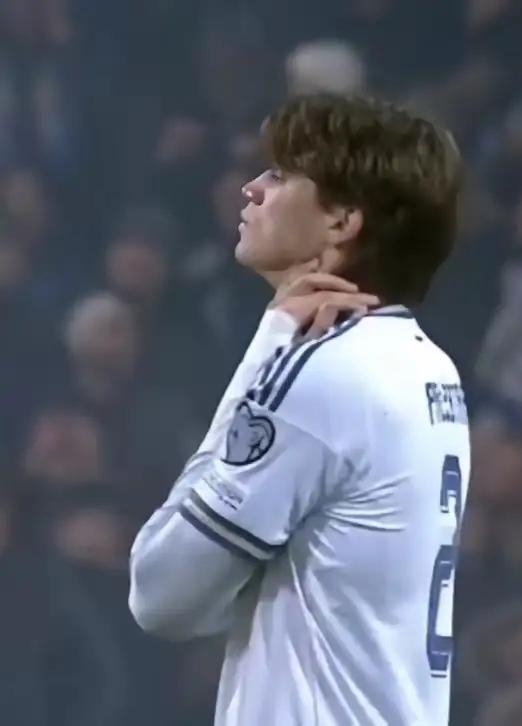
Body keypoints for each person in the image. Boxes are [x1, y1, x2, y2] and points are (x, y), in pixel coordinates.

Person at [128, 93, 470, 726]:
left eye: (282, 174)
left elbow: (161, 593)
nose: (252, 188)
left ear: (342, 221)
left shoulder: (325, 376)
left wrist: (267, 348)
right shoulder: (428, 368)